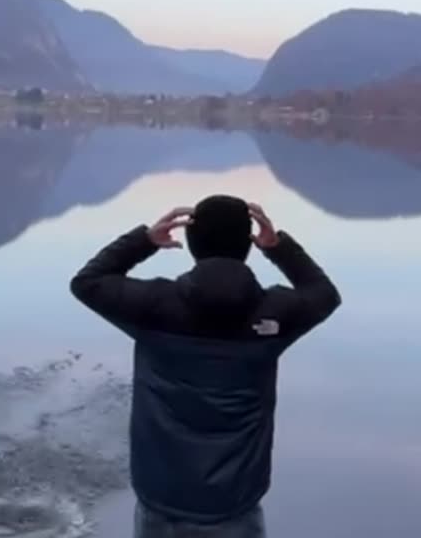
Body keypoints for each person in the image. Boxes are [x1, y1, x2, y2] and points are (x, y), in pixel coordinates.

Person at [69, 196, 341, 538]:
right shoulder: (275, 313)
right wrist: (279, 248)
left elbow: (88, 282)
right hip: (235, 503)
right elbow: (324, 294)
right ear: (247, 245)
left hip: (161, 498)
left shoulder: (153, 305)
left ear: (192, 245)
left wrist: (144, 241)